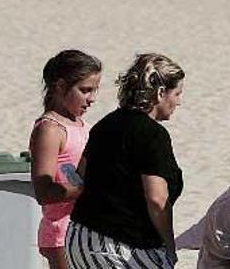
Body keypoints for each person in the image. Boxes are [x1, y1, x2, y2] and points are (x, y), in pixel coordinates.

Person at [68, 54, 187, 269]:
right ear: (160, 93)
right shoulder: (152, 134)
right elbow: (157, 200)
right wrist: (169, 245)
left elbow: (80, 177)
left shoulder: (106, 124)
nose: (179, 101)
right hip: (119, 248)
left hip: (79, 241)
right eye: (177, 93)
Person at [30, 50, 102, 269]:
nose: (92, 99)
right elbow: (44, 191)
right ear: (60, 86)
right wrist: (94, 189)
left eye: (94, 90)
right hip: (62, 233)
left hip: (87, 230)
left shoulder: (82, 126)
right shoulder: (50, 129)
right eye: (85, 90)